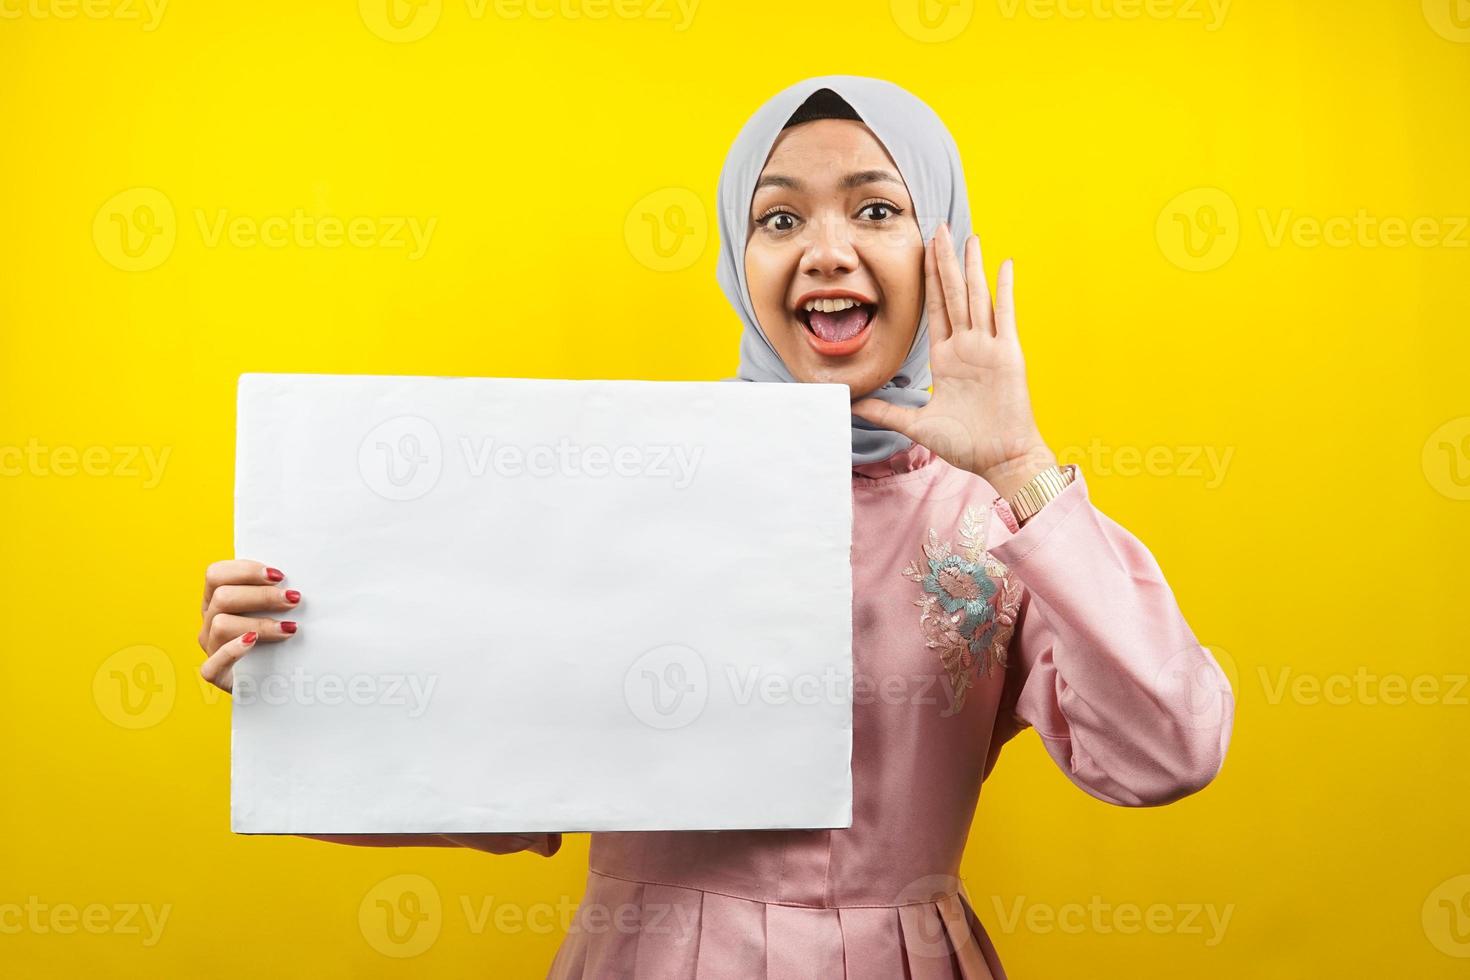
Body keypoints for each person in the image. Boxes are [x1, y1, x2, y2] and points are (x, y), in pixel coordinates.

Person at [196, 75, 1234, 979]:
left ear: (941, 245)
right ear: (741, 261)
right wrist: (298, 672)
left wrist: (1019, 466)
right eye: (780, 219)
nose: (826, 252)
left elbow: (1169, 749)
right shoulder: (637, 478)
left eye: (875, 210)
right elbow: (503, 766)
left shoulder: (995, 520)